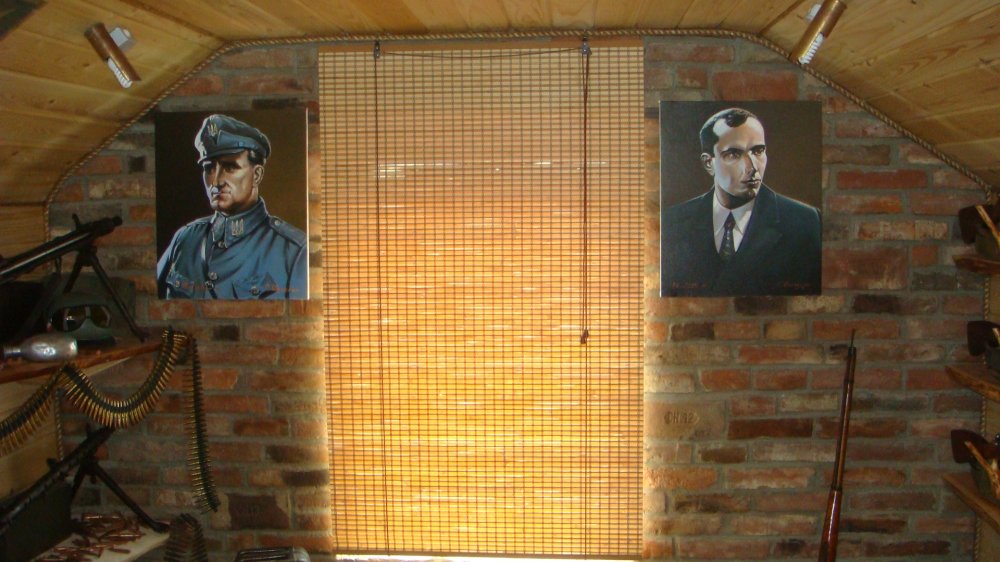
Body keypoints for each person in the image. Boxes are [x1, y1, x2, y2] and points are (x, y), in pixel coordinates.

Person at [660, 107, 821, 297]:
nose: (752, 167)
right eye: (733, 154)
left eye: (758, 151)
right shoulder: (672, 222)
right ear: (708, 163)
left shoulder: (805, 222)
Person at [156, 114, 308, 299]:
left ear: (257, 175)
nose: (216, 181)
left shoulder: (294, 251)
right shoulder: (186, 239)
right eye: (209, 168)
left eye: (230, 167)